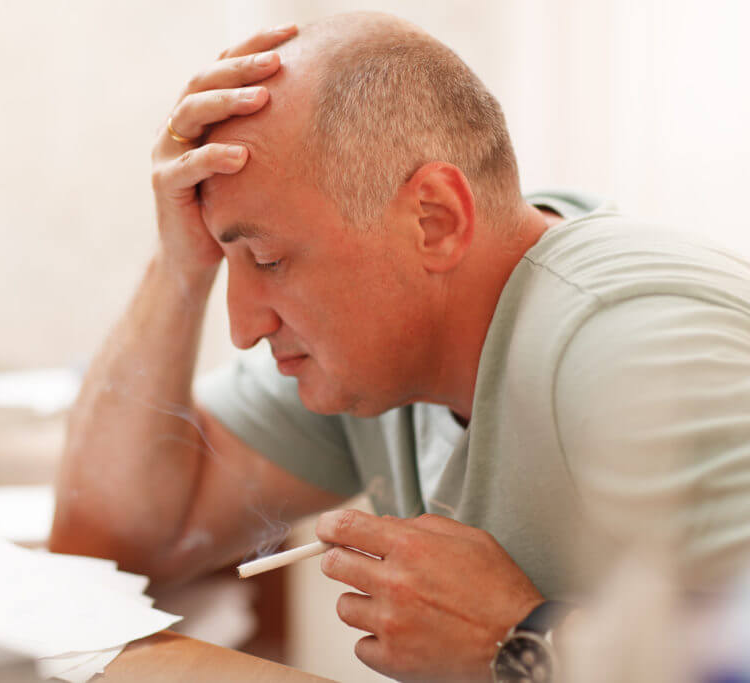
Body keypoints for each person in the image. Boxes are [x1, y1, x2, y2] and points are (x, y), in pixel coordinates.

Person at [49, 12, 750, 681]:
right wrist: (177, 266)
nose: (243, 326)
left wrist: (520, 637)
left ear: (435, 220)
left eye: (266, 259)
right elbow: (109, 546)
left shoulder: (630, 346)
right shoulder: (376, 358)